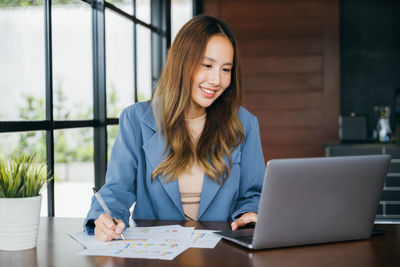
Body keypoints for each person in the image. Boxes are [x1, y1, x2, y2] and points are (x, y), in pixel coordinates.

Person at [84, 15, 265, 242]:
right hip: (156, 252)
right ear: (182, 62)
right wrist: (104, 218)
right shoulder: (136, 120)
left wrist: (250, 213)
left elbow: (253, 194)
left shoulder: (244, 123)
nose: (217, 79)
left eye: (226, 69)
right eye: (207, 65)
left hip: (223, 252)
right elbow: (116, 190)